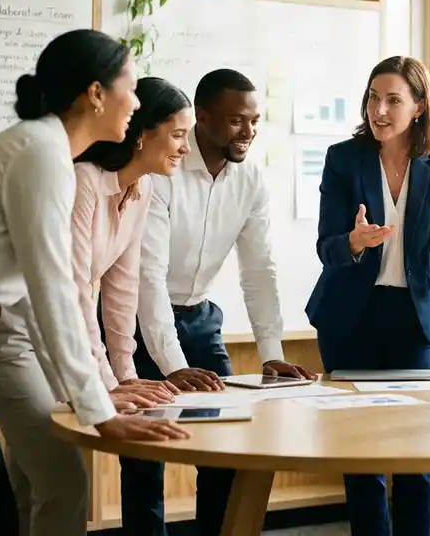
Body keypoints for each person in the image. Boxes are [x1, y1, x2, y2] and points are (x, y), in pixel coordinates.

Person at [0, 29, 187, 536]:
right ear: (94, 93)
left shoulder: (49, 152)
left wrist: (102, 392)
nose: (136, 101)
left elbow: (61, 293)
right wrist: (100, 410)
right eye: (129, 87)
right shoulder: (42, 152)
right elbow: (55, 290)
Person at [0, 76, 196, 536]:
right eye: (178, 135)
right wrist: (105, 383)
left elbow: (121, 290)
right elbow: (74, 291)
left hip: (61, 336)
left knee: (30, 479)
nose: (185, 149)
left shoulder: (144, 190)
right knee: (62, 478)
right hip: (17, 335)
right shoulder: (83, 180)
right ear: (142, 132)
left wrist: (127, 375)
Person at [122, 68, 317, 535]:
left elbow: (258, 270)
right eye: (235, 121)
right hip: (138, 321)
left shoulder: (250, 181)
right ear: (202, 118)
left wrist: (272, 355)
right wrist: (170, 363)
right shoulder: (162, 171)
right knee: (144, 458)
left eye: (254, 120)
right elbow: (147, 277)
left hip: (201, 320)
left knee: (226, 443)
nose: (248, 132)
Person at [307, 56, 430, 536]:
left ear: (420, 106)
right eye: (372, 97)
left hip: (414, 321)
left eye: (392, 100)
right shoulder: (343, 158)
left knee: (416, 456)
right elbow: (326, 246)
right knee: (361, 459)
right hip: (350, 320)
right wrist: (353, 243)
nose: (378, 110)